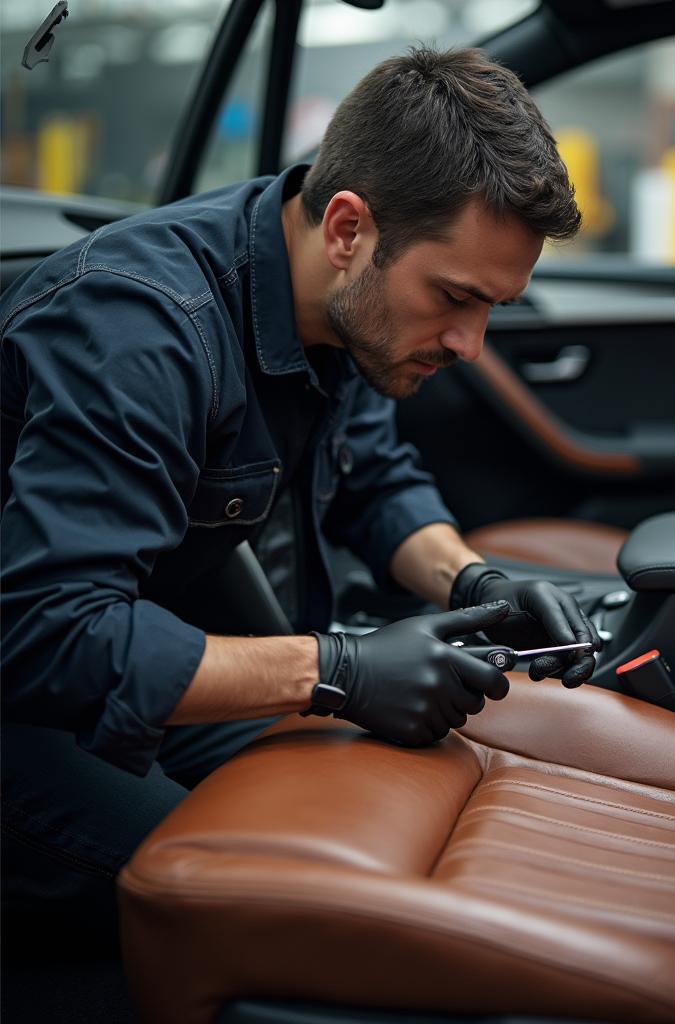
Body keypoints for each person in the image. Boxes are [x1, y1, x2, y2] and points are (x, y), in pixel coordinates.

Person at [0, 47, 599, 947]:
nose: (471, 344)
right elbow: (50, 634)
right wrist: (337, 669)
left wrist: (477, 584)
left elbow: (376, 477)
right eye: (454, 297)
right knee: (266, 898)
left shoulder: (337, 303)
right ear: (350, 228)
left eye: (493, 310)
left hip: (131, 661)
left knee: (355, 802)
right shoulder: (139, 332)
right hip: (32, 688)